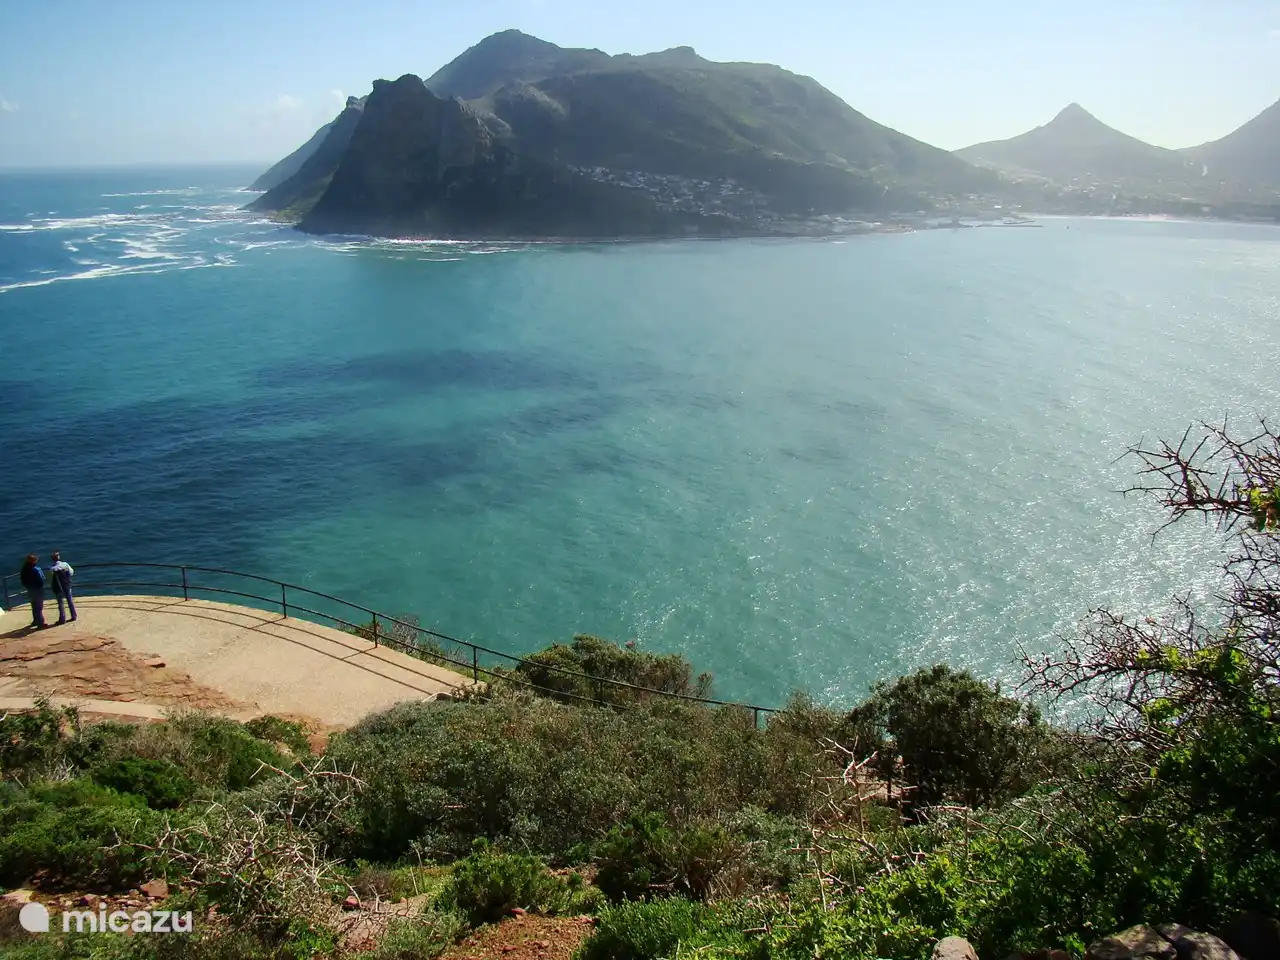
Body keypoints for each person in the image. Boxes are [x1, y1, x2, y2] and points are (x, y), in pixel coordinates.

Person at [19, 554, 47, 629]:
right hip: (38, 590)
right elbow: (41, 580)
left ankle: (35, 621)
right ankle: (40, 623)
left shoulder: (24, 569)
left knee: (34, 606)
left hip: (30, 589)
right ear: (34, 561)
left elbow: (23, 581)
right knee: (39, 607)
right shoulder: (36, 569)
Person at [49, 551, 76, 624]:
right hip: (66, 585)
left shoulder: (52, 568)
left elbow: (50, 579)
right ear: (59, 557)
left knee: (60, 603)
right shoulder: (65, 564)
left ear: (52, 559)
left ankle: (62, 619)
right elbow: (71, 572)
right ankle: (74, 616)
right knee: (70, 601)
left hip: (58, 587)